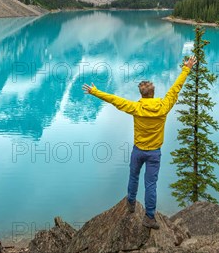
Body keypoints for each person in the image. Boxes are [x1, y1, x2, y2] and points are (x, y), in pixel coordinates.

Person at [82, 55, 197, 229]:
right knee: (151, 184)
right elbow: (176, 88)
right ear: (153, 92)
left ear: (141, 94)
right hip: (154, 153)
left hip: (138, 150)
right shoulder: (164, 106)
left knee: (133, 176)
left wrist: (95, 91)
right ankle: (149, 217)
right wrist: (186, 68)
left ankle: (130, 202)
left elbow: (114, 100)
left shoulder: (136, 107)